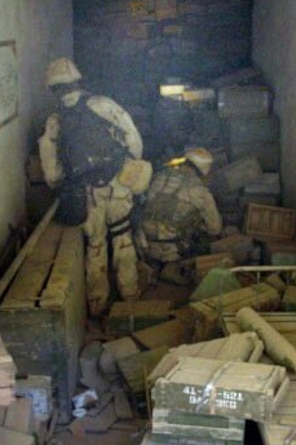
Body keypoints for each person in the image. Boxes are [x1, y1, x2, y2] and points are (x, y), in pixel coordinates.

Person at [38, 58, 151, 317]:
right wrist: (131, 163)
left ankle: (98, 304)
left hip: (86, 192)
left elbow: (51, 171)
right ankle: (130, 296)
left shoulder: (55, 122)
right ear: (78, 81)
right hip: (117, 183)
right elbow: (132, 135)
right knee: (123, 238)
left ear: (53, 90)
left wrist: (59, 183)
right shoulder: (102, 104)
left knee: (95, 246)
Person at [141, 148, 223, 283]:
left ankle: (154, 266)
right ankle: (174, 267)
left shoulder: (159, 176)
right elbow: (215, 228)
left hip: (145, 246)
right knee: (205, 231)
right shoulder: (200, 191)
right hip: (172, 250)